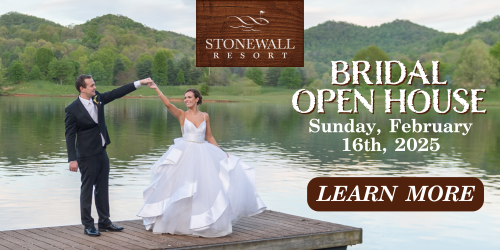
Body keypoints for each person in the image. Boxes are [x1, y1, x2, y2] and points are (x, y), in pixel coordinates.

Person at [137, 83, 266, 237]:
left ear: (197, 99)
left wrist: (221, 153)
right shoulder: (181, 115)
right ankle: (180, 222)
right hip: (186, 153)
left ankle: (200, 222)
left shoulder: (205, 116)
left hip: (203, 153)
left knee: (205, 187)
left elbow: (209, 136)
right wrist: (157, 89)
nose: (186, 100)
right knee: (182, 187)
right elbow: (167, 104)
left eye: (189, 97)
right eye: (185, 98)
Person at [65, 75, 152, 236]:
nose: (94, 87)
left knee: (103, 188)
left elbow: (118, 92)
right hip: (86, 155)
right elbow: (70, 135)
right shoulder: (72, 109)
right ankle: (88, 225)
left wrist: (140, 83)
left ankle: (104, 222)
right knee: (87, 190)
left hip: (101, 151)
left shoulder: (98, 99)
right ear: (81, 88)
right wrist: (72, 159)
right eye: (91, 85)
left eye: (94, 84)